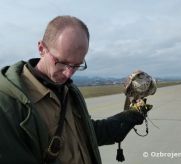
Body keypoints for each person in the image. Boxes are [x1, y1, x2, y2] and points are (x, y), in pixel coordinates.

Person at [0, 15, 144, 164]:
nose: (69, 73)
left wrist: (129, 117)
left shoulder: (69, 91)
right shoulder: (7, 103)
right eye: (62, 62)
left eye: (77, 65)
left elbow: (86, 134)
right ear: (42, 49)